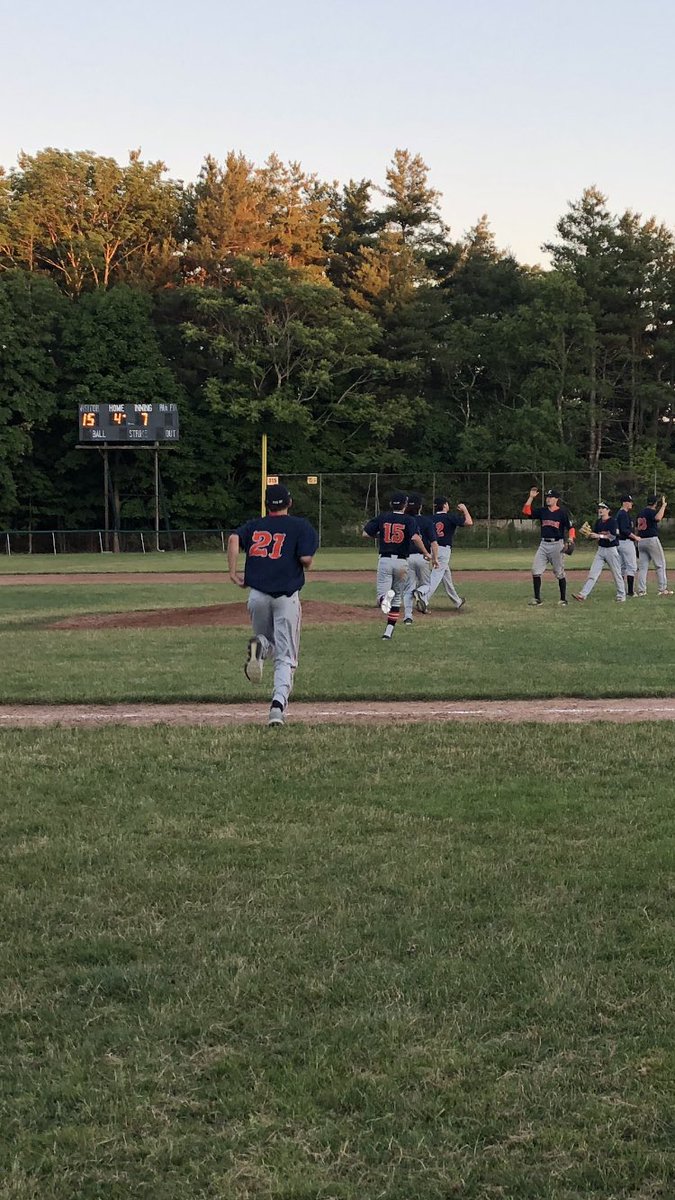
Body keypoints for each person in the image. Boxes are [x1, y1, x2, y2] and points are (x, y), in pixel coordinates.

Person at [228, 483, 318, 726]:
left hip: (256, 595)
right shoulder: (301, 526)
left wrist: (233, 572)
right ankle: (277, 707)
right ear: (289, 503)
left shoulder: (254, 526)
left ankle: (261, 644)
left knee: (268, 643)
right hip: (286, 597)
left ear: (267, 505)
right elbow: (306, 560)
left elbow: (233, 538)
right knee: (286, 656)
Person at [363, 492, 428, 639]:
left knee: (382, 597)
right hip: (402, 562)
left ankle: (384, 599)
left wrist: (383, 536)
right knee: (397, 598)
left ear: (391, 504)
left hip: (385, 560)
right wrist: (426, 553)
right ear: (405, 505)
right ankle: (388, 632)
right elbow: (416, 538)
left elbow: (366, 533)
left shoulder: (383, 517)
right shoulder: (409, 520)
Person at [522, 487, 575, 606]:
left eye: (550, 497)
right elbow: (526, 511)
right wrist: (531, 497)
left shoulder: (562, 512)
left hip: (557, 545)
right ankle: (537, 599)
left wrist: (571, 539)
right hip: (543, 544)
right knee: (535, 570)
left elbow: (571, 527)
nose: (548, 499)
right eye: (547, 497)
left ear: (556, 499)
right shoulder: (542, 511)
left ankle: (563, 599)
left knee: (559, 572)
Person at [420, 497, 473, 611]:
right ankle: (424, 598)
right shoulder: (450, 517)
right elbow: (469, 522)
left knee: (446, 575)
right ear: (444, 505)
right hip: (443, 550)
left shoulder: (430, 518)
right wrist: (464, 510)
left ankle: (457, 601)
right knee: (436, 575)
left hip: (431, 548)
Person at [572, 501, 626, 602]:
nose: (600, 510)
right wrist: (588, 535)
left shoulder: (613, 522)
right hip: (601, 550)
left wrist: (599, 536)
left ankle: (621, 596)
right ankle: (583, 595)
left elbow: (613, 537)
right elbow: (595, 536)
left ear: (608, 510)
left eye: (603, 508)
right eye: (599, 508)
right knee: (593, 573)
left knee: (616, 573)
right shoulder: (599, 522)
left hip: (611, 550)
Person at [402, 494, 439, 625]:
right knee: (427, 585)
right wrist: (434, 558)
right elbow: (434, 543)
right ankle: (419, 592)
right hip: (422, 557)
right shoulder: (427, 521)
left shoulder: (403, 520)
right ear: (420, 507)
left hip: (406, 557)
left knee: (408, 589)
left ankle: (408, 617)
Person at [635, 494, 672, 596]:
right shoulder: (650, 512)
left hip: (641, 540)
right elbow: (658, 517)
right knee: (660, 564)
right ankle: (662, 589)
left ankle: (642, 591)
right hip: (651, 540)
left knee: (642, 567)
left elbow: (636, 528)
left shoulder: (640, 513)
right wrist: (664, 505)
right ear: (655, 504)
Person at [615, 494, 640, 597]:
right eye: (630, 502)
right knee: (631, 567)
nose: (631, 504)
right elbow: (624, 530)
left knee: (622, 567)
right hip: (626, 542)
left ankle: (621, 591)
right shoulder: (623, 514)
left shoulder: (619, 514)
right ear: (625, 503)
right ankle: (630, 592)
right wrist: (635, 537)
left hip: (619, 543)